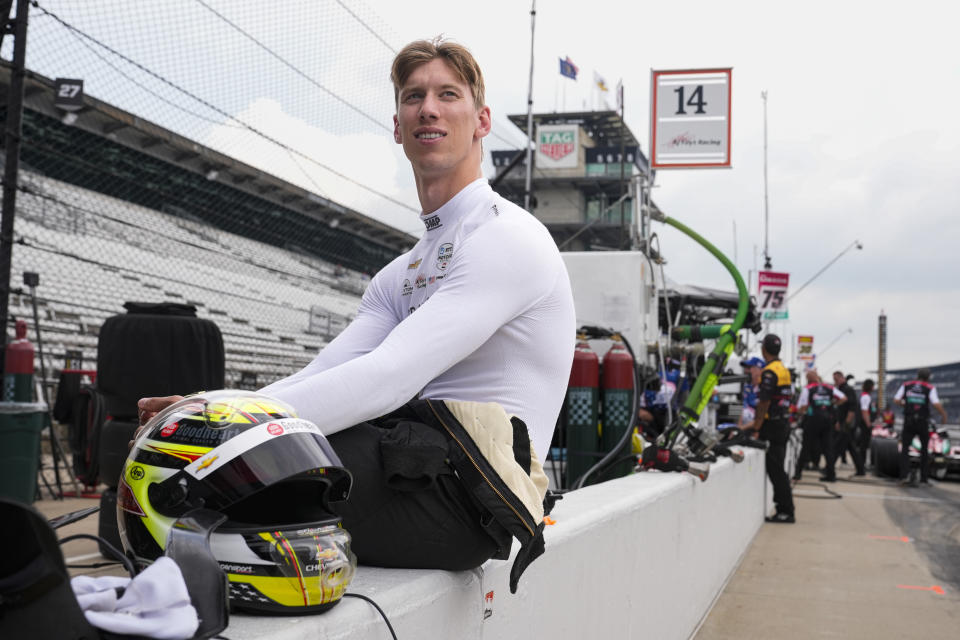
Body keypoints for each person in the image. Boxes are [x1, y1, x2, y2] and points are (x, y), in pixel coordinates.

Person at [138, 38, 576, 583]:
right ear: (398, 125)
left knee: (243, 468)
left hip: (468, 500)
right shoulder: (401, 274)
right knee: (185, 472)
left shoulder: (508, 236)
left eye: (447, 94)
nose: (429, 109)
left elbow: (389, 377)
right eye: (413, 97)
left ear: (481, 119)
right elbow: (327, 371)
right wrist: (215, 409)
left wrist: (228, 431)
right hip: (409, 465)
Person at [749, 334, 795, 523]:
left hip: (773, 425)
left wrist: (756, 427)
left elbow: (764, 402)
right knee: (779, 468)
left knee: (776, 470)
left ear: (764, 349)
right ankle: (785, 508)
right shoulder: (783, 370)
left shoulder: (768, 373)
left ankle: (785, 510)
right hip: (783, 423)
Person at [894, 368, 948, 486]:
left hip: (908, 421)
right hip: (922, 422)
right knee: (924, 450)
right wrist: (944, 414)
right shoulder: (929, 388)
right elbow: (936, 403)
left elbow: (896, 400)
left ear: (917, 375)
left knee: (905, 449)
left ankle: (904, 476)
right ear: (928, 377)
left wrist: (906, 404)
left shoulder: (906, 385)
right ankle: (924, 479)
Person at [795, 370, 846, 481]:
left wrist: (801, 412)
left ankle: (798, 474)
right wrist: (831, 404)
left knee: (806, 446)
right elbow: (843, 398)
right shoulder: (829, 387)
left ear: (808, 379)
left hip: (813, 419)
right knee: (828, 448)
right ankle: (831, 475)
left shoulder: (808, 388)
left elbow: (801, 406)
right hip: (827, 419)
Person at [828, 370, 865, 476]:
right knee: (851, 448)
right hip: (844, 422)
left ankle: (829, 469)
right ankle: (860, 469)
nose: (835, 381)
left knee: (837, 447)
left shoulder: (847, 389)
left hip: (848, 423)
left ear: (841, 378)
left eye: (836, 379)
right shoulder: (841, 389)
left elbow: (852, 408)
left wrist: (847, 423)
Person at [736, 356, 764, 432]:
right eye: (745, 368)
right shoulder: (746, 387)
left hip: (757, 432)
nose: (746, 371)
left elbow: (762, 418)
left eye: (749, 368)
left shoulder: (764, 390)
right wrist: (737, 429)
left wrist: (741, 428)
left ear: (759, 370)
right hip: (743, 430)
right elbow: (742, 409)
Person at [856, 379, 878, 468]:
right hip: (865, 424)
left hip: (865, 423)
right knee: (864, 444)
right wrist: (868, 423)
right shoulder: (866, 397)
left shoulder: (866, 396)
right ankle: (862, 463)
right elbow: (864, 411)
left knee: (864, 444)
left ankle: (863, 462)